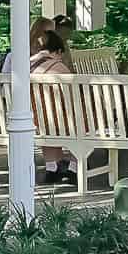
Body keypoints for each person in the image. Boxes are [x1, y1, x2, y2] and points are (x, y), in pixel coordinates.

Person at [29, 28, 77, 183]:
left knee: (47, 126)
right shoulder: (59, 67)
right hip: (63, 122)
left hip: (36, 122)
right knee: (86, 120)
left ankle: (52, 167)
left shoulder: (28, 65)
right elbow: (73, 96)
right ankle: (74, 166)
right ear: (57, 51)